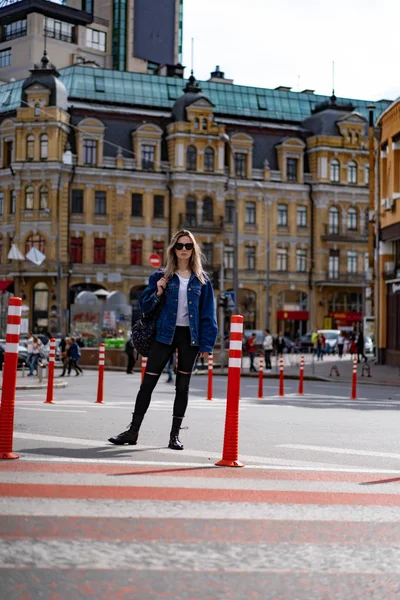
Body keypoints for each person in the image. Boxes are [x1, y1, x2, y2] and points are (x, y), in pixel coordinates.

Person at [109, 229, 218, 450]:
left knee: (182, 387)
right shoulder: (161, 276)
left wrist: (207, 344)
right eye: (180, 246)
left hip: (190, 337)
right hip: (163, 335)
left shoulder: (202, 281)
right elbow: (145, 307)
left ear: (194, 250)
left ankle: (174, 436)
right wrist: (158, 292)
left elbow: (208, 314)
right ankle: (133, 431)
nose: (184, 250)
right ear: (173, 249)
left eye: (188, 246)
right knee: (147, 384)